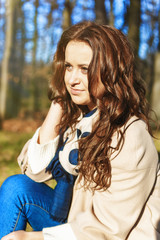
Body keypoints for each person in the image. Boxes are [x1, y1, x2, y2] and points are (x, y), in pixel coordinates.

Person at [0, 21, 159, 240]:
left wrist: (30, 238)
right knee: (16, 188)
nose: (72, 79)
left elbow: (109, 229)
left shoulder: (131, 134)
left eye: (85, 69)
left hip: (111, 234)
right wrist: (58, 103)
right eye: (68, 67)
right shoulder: (79, 118)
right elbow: (34, 172)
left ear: (110, 71)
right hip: (76, 222)